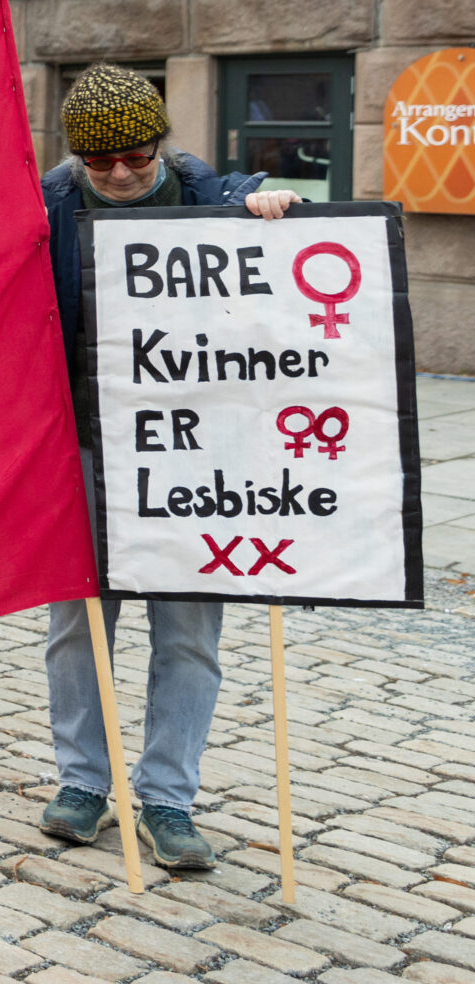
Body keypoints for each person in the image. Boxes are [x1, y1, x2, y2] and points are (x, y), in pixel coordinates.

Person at [35, 64, 299, 872]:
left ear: (161, 144)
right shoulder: (44, 208)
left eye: (136, 158)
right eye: (99, 161)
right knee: (79, 626)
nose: (119, 173)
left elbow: (285, 268)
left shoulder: (213, 198)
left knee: (189, 631)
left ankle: (167, 800)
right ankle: (83, 784)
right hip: (83, 446)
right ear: (76, 156)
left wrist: (277, 213)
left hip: (196, 453)